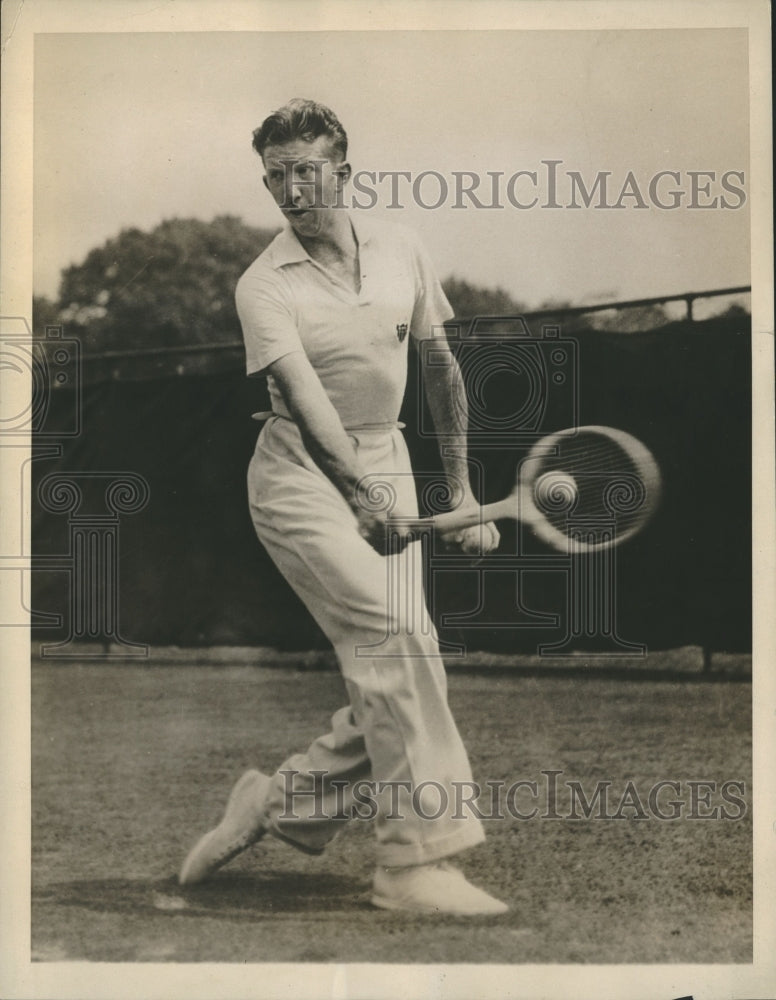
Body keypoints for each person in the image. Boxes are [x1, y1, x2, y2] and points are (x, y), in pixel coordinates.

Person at [179, 99, 506, 916]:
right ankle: (410, 864)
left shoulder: (402, 248)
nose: (291, 190)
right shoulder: (262, 284)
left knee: (407, 655)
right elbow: (305, 401)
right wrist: (361, 497)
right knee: (394, 641)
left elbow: (439, 369)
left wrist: (458, 488)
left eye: (307, 172)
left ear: (344, 174)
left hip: (387, 458)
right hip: (297, 478)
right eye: (276, 176)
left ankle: (278, 802)